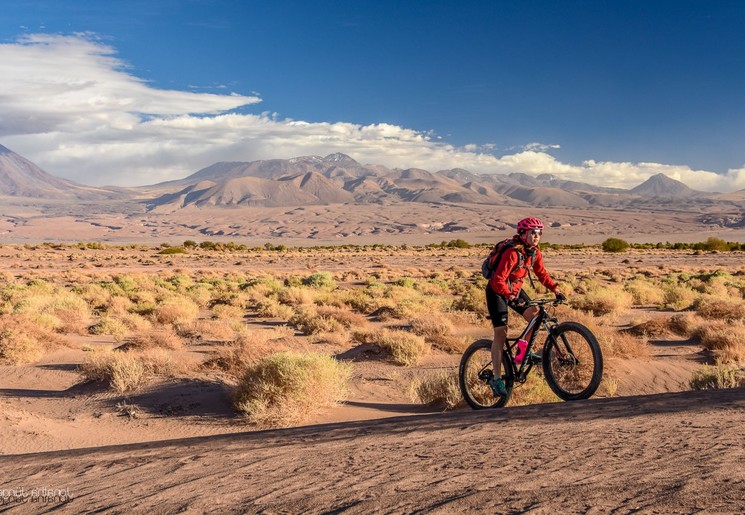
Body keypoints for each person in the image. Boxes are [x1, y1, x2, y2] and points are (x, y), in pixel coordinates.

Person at [485, 217, 565, 397]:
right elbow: (498, 280)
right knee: (501, 333)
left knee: (535, 316)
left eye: (539, 233)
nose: (536, 237)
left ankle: (522, 354)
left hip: (515, 289)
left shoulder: (535, 253)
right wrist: (509, 295)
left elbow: (542, 274)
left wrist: (555, 289)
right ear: (523, 234)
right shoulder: (512, 253)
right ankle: (496, 378)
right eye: (532, 233)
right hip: (497, 291)